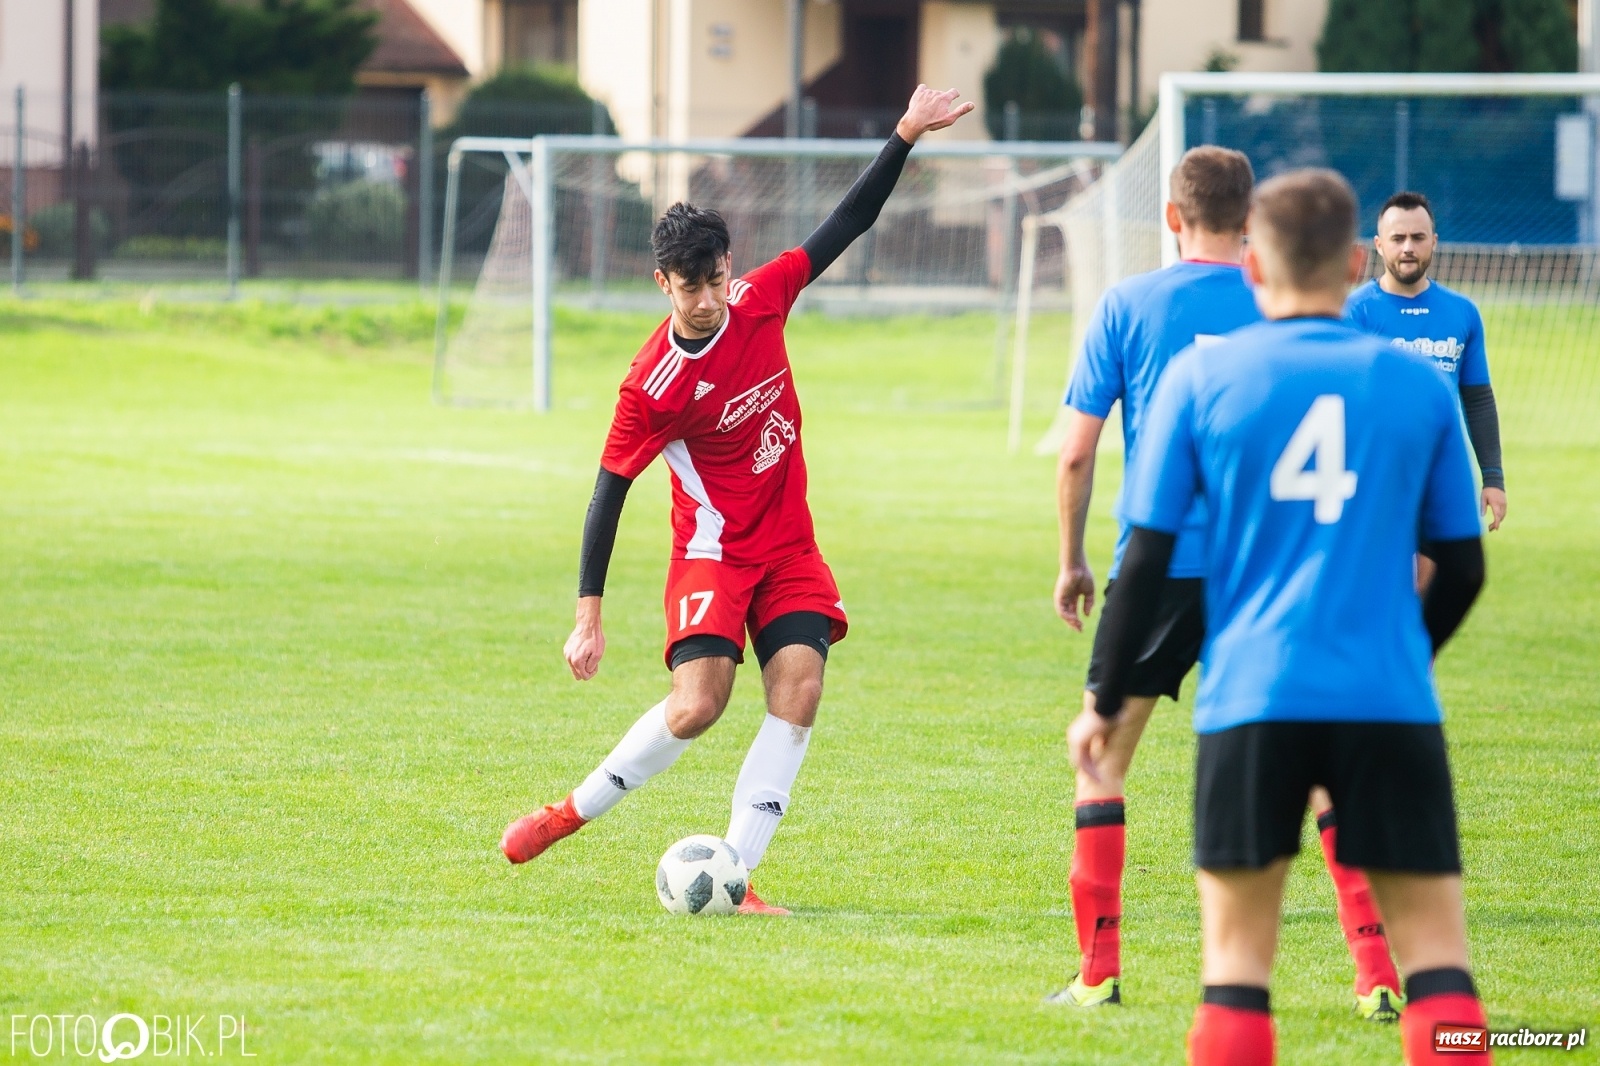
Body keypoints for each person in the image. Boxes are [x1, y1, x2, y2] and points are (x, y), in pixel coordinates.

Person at [498, 85, 975, 916]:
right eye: (690, 288)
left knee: (799, 690)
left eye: (716, 279)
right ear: (663, 285)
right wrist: (588, 614)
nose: (710, 299)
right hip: (714, 553)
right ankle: (566, 814)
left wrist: (903, 133)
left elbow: (847, 224)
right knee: (698, 707)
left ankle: (738, 876)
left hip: (788, 548)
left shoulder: (762, 299)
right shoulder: (652, 387)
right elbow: (608, 493)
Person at [1070, 168, 1491, 1064]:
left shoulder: (1202, 377)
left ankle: (1101, 969)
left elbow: (1144, 558)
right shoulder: (1415, 388)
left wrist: (1102, 702)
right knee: (1443, 972)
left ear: (1255, 266)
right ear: (1353, 261)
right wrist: (1404, 652)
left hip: (1250, 697)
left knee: (1234, 976)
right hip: (1387, 701)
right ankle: (1386, 979)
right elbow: (1460, 566)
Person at [1346, 190, 1507, 577]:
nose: (1407, 248)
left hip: (1441, 470)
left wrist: (1493, 477)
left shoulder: (1462, 313)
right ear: (1379, 245)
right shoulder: (1355, 312)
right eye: (1398, 239)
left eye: (1418, 238)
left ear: (1433, 242)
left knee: (1433, 590)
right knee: (1384, 588)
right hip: (1378, 474)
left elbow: (1478, 399)